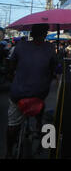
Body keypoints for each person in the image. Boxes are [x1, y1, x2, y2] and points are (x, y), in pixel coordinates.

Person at [5, 24, 57, 158]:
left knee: (12, 125)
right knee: (44, 109)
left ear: (31, 34)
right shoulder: (50, 48)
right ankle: (40, 129)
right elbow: (54, 69)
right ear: (45, 34)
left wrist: (13, 78)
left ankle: (8, 152)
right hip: (39, 94)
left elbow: (10, 67)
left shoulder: (20, 46)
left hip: (18, 94)